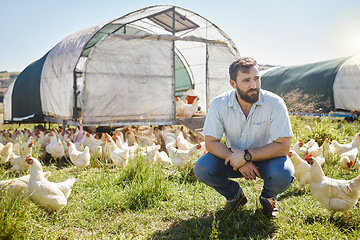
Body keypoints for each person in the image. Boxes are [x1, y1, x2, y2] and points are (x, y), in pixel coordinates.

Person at [193, 57, 294, 218]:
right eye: (246, 80)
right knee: (202, 168)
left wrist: (246, 156)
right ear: (233, 84)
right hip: (233, 159)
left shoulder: (275, 103)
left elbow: (283, 146)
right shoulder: (219, 104)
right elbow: (211, 143)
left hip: (269, 159)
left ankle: (268, 198)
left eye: (256, 79)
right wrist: (236, 159)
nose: (254, 85)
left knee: (284, 174)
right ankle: (235, 196)